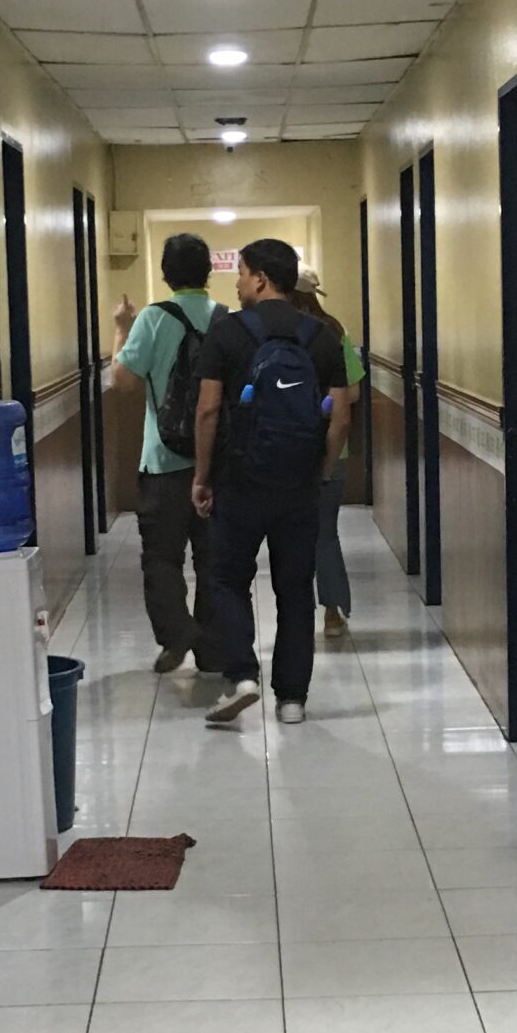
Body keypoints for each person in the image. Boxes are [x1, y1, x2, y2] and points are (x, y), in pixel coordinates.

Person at [192, 238, 351, 726]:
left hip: (239, 480)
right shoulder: (322, 335)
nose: (237, 283)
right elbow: (341, 416)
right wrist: (322, 471)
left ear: (260, 278)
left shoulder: (227, 332)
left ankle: (243, 675)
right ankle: (292, 699)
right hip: (298, 485)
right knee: (295, 588)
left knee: (227, 579)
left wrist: (202, 476)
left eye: (241, 273)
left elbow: (208, 409)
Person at [111, 232, 221, 674]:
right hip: (216, 463)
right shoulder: (226, 319)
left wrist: (122, 328)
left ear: (165, 274)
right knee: (214, 560)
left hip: (163, 462)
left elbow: (123, 382)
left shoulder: (153, 319)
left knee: (161, 557)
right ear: (208, 271)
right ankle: (212, 649)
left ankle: (177, 635)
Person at [292, 265, 363, 638]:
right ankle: (332, 613)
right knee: (325, 534)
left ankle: (293, 613)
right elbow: (352, 393)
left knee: (287, 536)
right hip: (332, 447)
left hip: (285, 447)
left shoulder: (276, 333)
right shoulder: (335, 332)